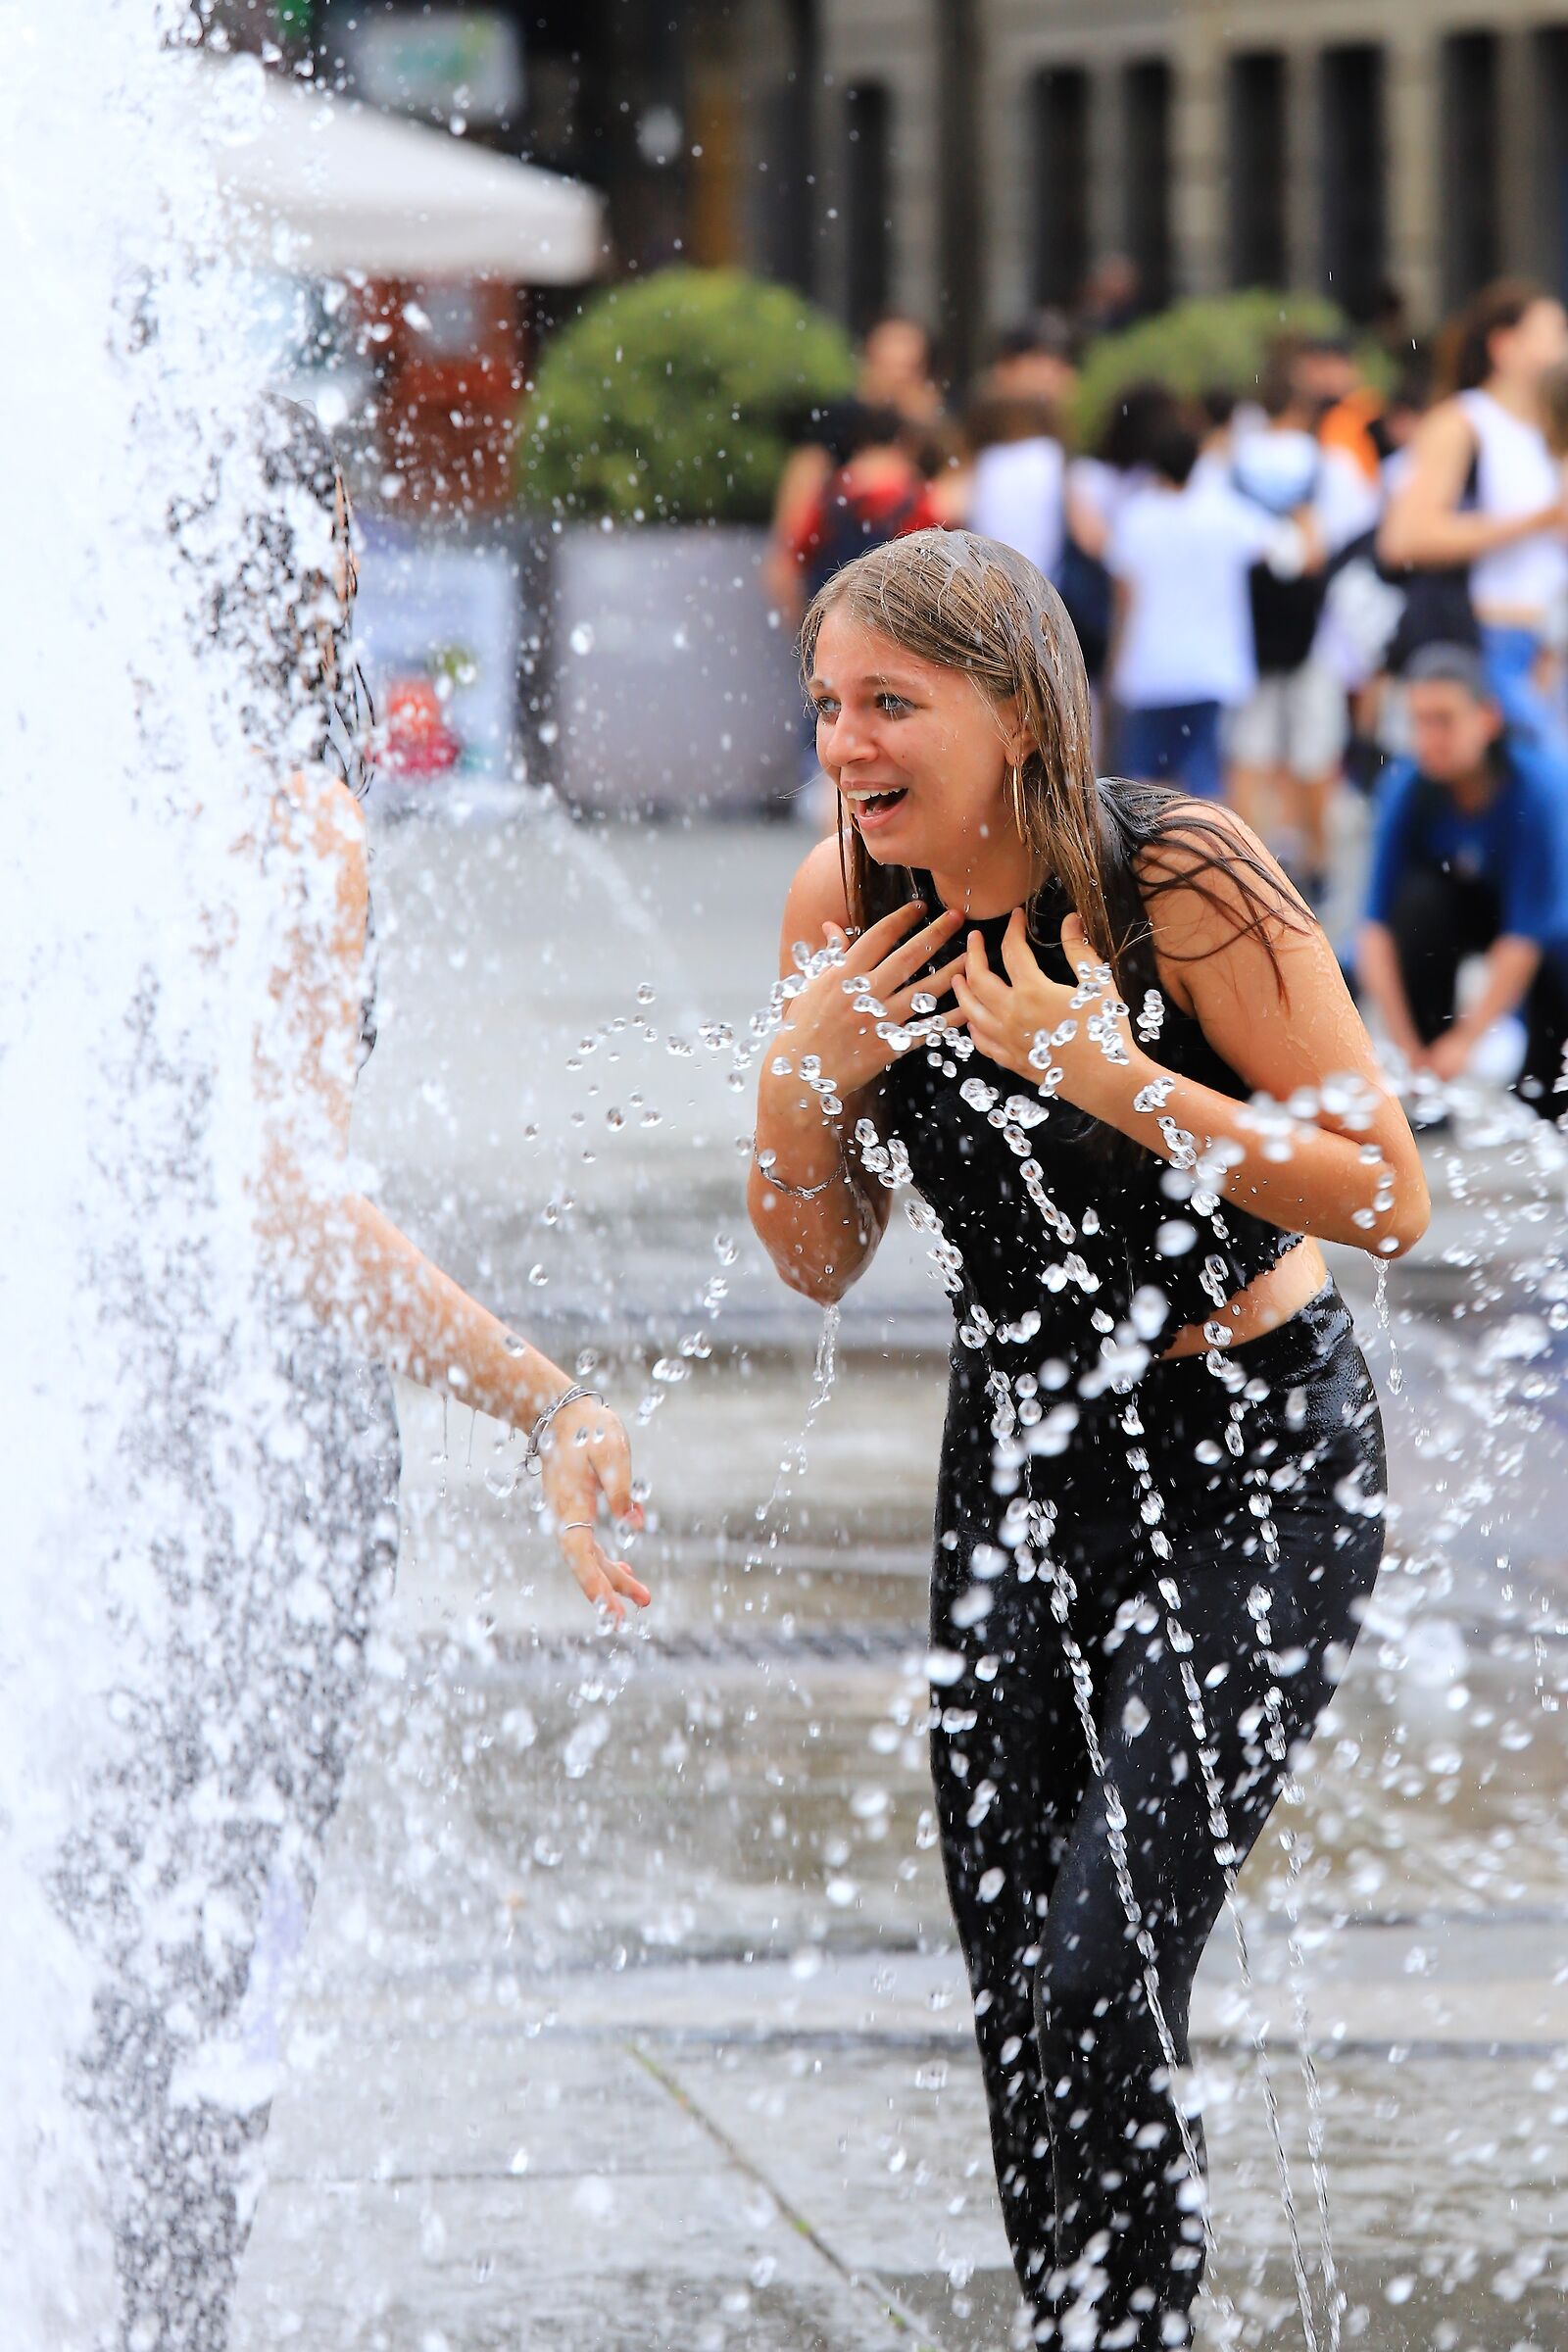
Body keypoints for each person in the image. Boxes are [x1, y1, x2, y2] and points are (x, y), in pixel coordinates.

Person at [749, 527, 1427, 2350]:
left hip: (1256, 1459)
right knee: (1019, 1999)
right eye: (828, 705)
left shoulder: (1181, 877)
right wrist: (797, 1075)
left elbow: (1389, 1196)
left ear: (1019, 708)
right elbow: (815, 1259)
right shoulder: (846, 904)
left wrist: (1116, 1078)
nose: (850, 744)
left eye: (893, 701)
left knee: (1099, 1968)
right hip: (1024, 1464)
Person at [70, 398, 647, 2348]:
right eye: (330, 544)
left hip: (77, 1421)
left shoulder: (58, 787)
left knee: (81, 1907)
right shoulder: (287, 823)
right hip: (245, 1445)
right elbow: (297, 1218)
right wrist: (543, 1393)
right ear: (308, 589)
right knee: (213, 1936)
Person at [1356, 642, 1568, 1117]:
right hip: (1468, 915)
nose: (1429, 738)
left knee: (1545, 1101)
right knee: (1419, 904)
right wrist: (1410, 1046)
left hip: (1549, 937)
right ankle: (1431, 1090)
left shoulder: (1540, 787)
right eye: (1418, 721)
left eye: (1444, 720)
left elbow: (1527, 934)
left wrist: (1468, 1040)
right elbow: (1373, 928)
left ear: (1487, 719)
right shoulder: (1409, 788)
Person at [1379, 278, 1568, 732]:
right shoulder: (1463, 422)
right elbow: (1404, 538)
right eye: (1554, 334)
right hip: (1492, 641)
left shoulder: (1550, 429)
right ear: (1504, 346)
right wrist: (1535, 521)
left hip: (1551, 643)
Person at [1225, 349, 1373, 900]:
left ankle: (1246, 862)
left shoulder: (1231, 463)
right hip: (1315, 627)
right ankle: (1316, 862)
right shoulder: (1325, 463)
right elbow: (1352, 537)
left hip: (1252, 631)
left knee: (1250, 747)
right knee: (1314, 745)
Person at [1106, 416, 1307, 801]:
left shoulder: (1135, 517)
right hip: (1212, 669)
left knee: (1141, 788)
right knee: (1204, 786)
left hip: (1150, 670)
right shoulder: (1224, 511)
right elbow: (1290, 552)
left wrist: (1117, 667)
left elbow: (1125, 601)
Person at [963, 390, 1066, 585]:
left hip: (992, 573)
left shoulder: (987, 461)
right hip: (1046, 576)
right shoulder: (1048, 455)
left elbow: (957, 506)